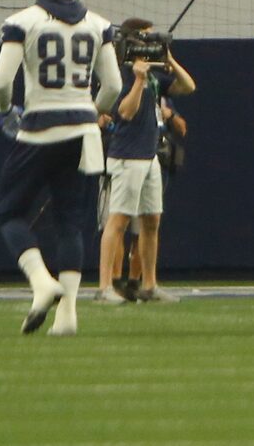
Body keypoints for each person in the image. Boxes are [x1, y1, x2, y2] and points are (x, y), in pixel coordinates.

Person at [0, 0, 123, 336]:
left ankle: (40, 282)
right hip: (83, 133)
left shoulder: (23, 22)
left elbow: (1, 83)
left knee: (9, 213)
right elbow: (113, 85)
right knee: (70, 225)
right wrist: (93, 111)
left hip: (39, 130)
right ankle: (68, 317)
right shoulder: (99, 25)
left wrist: (5, 112)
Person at [97, 17, 195, 303]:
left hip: (150, 155)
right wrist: (139, 80)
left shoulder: (153, 75)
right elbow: (125, 112)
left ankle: (149, 284)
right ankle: (105, 286)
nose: (151, 44)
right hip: (127, 155)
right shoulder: (120, 74)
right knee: (118, 220)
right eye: (147, 39)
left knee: (151, 220)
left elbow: (187, 86)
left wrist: (169, 60)